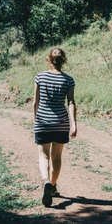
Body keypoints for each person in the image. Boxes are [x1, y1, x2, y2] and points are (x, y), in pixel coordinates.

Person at [32, 47, 77, 207]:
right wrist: (73, 124)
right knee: (56, 157)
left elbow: (35, 102)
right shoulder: (68, 80)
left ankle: (46, 182)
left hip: (43, 121)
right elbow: (71, 103)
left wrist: (36, 119)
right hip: (61, 123)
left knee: (43, 156)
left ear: (49, 60)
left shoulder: (40, 77)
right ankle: (52, 185)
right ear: (63, 60)